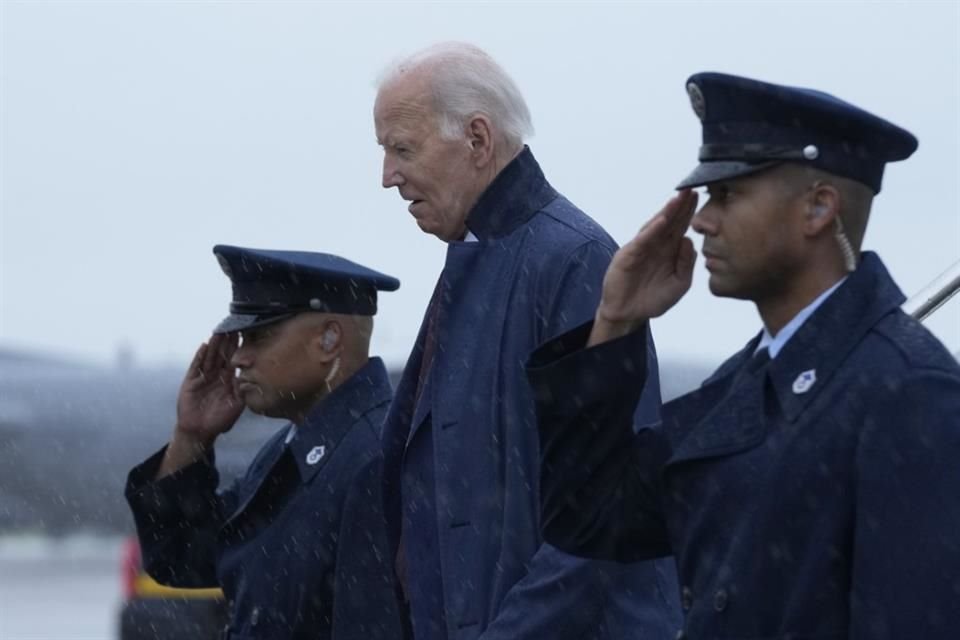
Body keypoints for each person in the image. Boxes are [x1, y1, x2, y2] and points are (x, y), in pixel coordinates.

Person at [527, 72, 960, 639]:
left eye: (728, 194)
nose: (703, 219)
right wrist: (616, 321)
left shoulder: (910, 392)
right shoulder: (752, 379)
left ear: (818, 209)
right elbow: (593, 516)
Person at [373, 42, 680, 640]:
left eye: (401, 149)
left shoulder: (574, 261)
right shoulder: (478, 259)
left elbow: (603, 518)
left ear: (478, 140)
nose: (387, 176)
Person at [125, 245, 406, 640]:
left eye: (258, 337)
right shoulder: (291, 448)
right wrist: (191, 437)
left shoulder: (373, 458)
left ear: (328, 340)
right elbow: (184, 558)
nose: (239, 358)